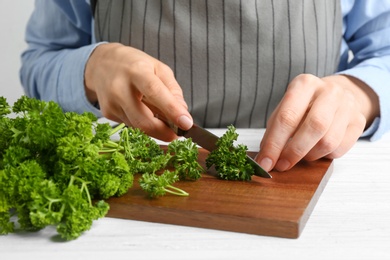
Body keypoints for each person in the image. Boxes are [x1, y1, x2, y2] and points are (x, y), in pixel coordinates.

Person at [20, 0, 390, 172]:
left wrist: (360, 93)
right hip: (137, 170)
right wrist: (90, 67)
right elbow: (41, 61)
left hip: (309, 172)